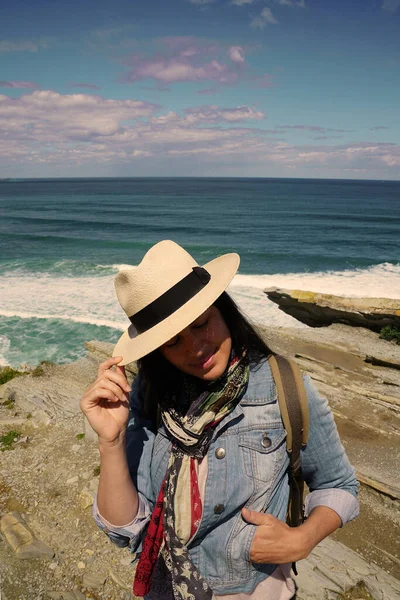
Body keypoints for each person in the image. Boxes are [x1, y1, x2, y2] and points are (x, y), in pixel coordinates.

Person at [80, 240, 359, 600]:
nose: (195, 348)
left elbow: (339, 484)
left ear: (223, 309)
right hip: (164, 589)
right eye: (173, 341)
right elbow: (125, 529)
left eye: (201, 324)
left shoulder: (284, 385)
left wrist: (302, 539)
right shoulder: (151, 394)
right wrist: (111, 441)